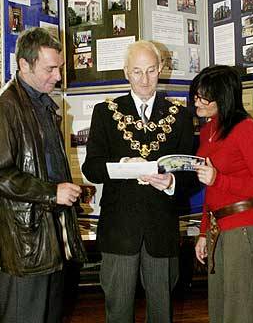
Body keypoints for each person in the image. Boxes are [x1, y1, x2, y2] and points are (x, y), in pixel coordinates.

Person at [82, 40, 196, 323]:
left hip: (162, 230)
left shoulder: (180, 116)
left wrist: (171, 181)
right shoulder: (105, 113)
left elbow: (189, 175)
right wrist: (121, 165)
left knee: (162, 312)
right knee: (118, 311)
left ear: (161, 70)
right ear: (125, 72)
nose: (144, 80)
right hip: (120, 230)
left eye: (151, 70)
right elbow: (91, 169)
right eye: (137, 71)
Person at [0, 27, 86, 323]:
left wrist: (66, 189)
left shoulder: (44, 105)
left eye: (59, 68)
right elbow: (1, 174)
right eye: (50, 69)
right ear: (24, 65)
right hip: (25, 243)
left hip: (50, 237)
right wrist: (52, 192)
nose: (58, 77)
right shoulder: (6, 107)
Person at [189, 65, 253, 323]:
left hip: (244, 228)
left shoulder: (246, 129)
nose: (196, 102)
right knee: (221, 309)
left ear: (222, 97)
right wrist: (203, 232)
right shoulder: (208, 130)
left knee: (242, 311)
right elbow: (209, 187)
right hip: (218, 228)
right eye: (195, 95)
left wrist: (220, 179)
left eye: (203, 97)